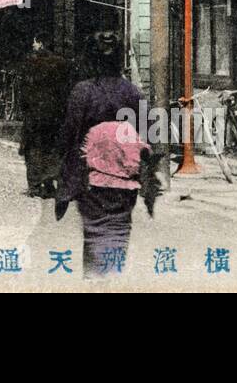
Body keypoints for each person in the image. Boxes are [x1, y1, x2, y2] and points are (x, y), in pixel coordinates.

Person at [54, 30, 158, 279]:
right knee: (119, 230)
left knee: (95, 233)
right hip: (125, 177)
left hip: (91, 177)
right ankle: (112, 276)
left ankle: (95, 280)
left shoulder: (82, 91)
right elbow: (149, 133)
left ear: (90, 59)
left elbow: (69, 136)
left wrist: (63, 173)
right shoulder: (132, 92)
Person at [17, 33, 71, 198]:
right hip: (55, 114)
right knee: (51, 148)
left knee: (33, 148)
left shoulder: (31, 62)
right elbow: (66, 89)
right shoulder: (61, 63)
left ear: (40, 43)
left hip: (35, 113)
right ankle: (49, 185)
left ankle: (34, 186)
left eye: (34, 42)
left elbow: (24, 89)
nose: (33, 45)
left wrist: (24, 108)